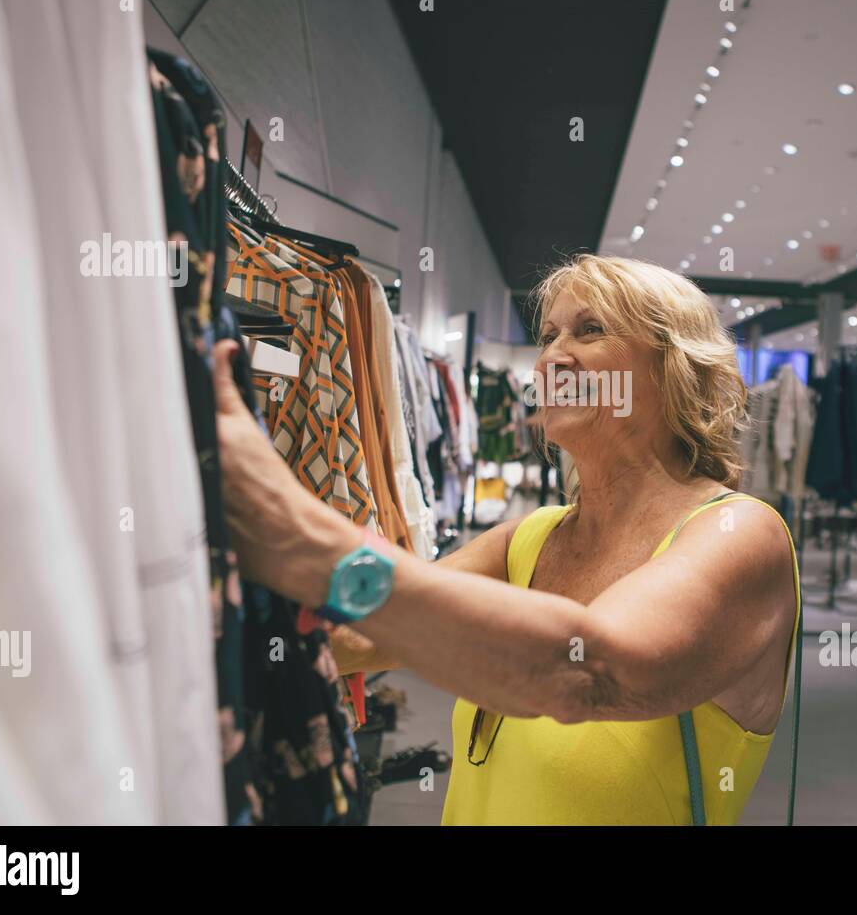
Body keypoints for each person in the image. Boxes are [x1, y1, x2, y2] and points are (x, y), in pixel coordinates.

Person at [211, 253, 801, 825]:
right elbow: (359, 636)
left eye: (589, 330)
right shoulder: (532, 538)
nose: (552, 358)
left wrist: (298, 532)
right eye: (548, 336)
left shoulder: (738, 533)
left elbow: (590, 670)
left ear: (674, 366)